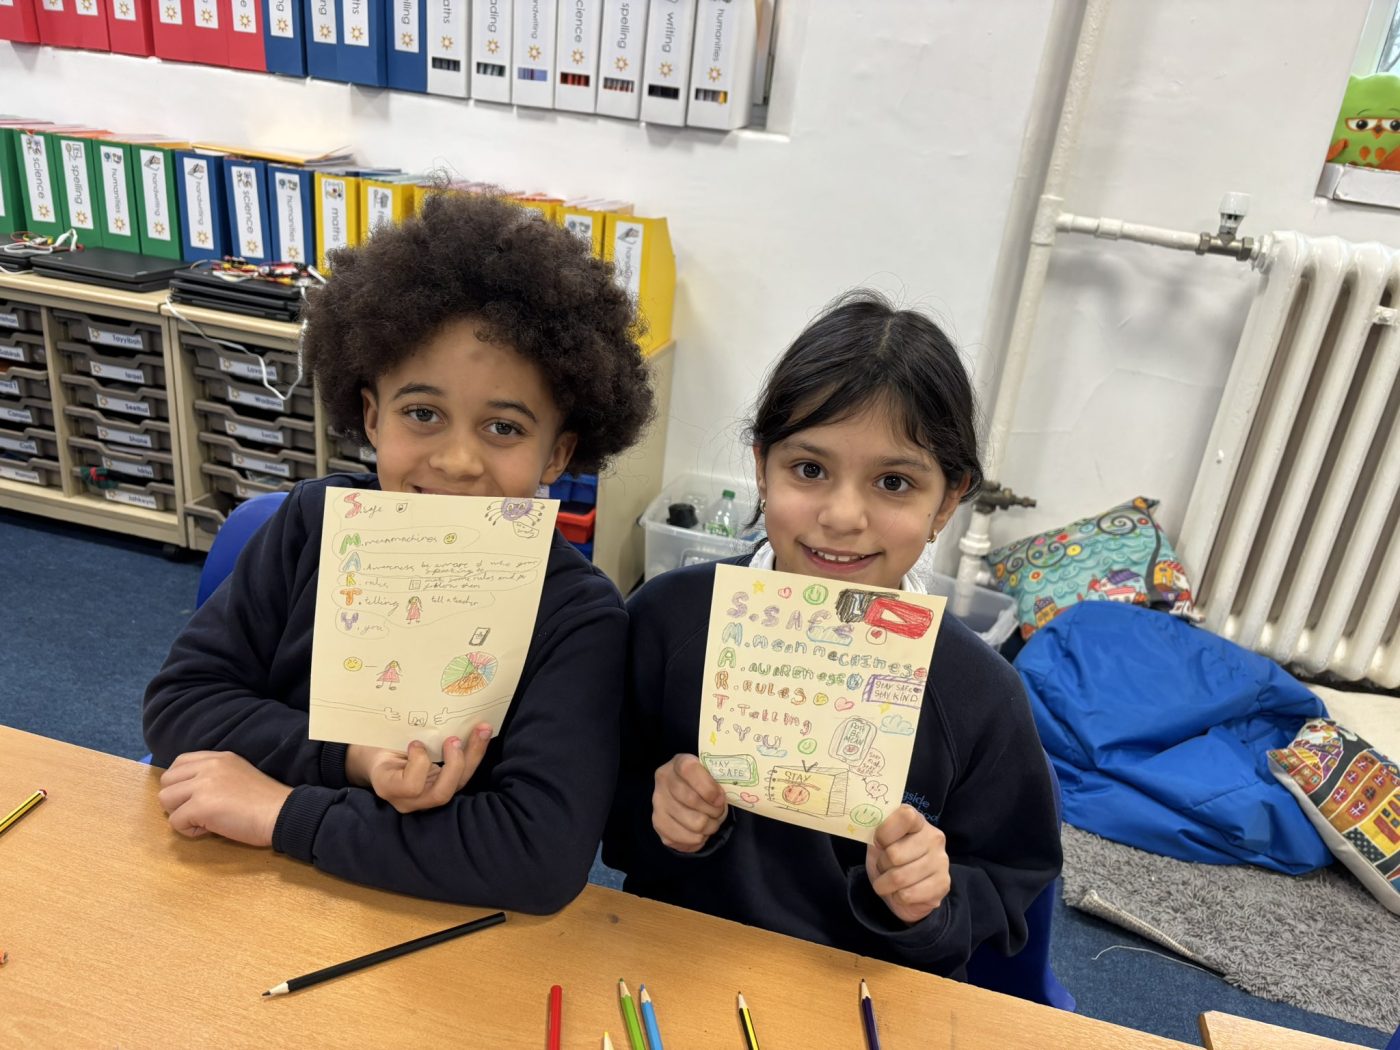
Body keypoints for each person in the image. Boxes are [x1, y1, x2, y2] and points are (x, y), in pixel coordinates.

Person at [144, 192, 654, 912]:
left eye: (504, 428)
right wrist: (352, 759)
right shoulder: (312, 526)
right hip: (247, 892)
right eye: (422, 414)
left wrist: (284, 812)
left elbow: (538, 854)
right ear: (373, 417)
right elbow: (180, 704)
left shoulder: (578, 616)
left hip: (426, 927)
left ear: (557, 454)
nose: (457, 461)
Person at [601, 290, 1061, 977]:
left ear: (946, 502)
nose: (843, 516)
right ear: (762, 467)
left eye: (894, 482)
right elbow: (595, 801)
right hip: (675, 964)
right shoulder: (667, 622)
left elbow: (1011, 882)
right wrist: (655, 811)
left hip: (866, 989)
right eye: (810, 470)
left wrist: (931, 897)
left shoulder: (979, 694)